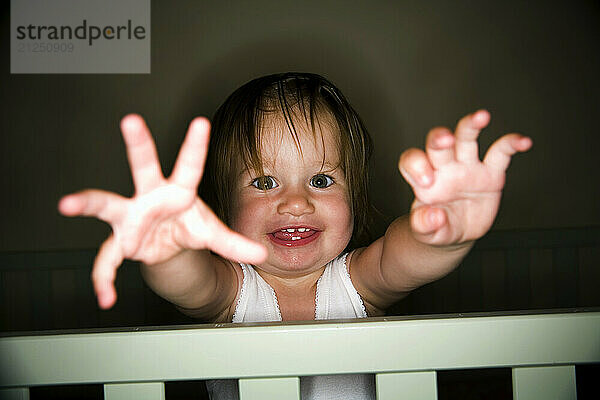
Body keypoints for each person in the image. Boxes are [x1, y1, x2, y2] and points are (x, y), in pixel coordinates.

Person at [58, 73, 532, 399]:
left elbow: (401, 260)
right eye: (264, 183)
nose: (295, 203)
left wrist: (442, 236)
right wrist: (167, 249)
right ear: (223, 208)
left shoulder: (355, 284)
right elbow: (190, 283)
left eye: (322, 180)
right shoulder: (235, 293)